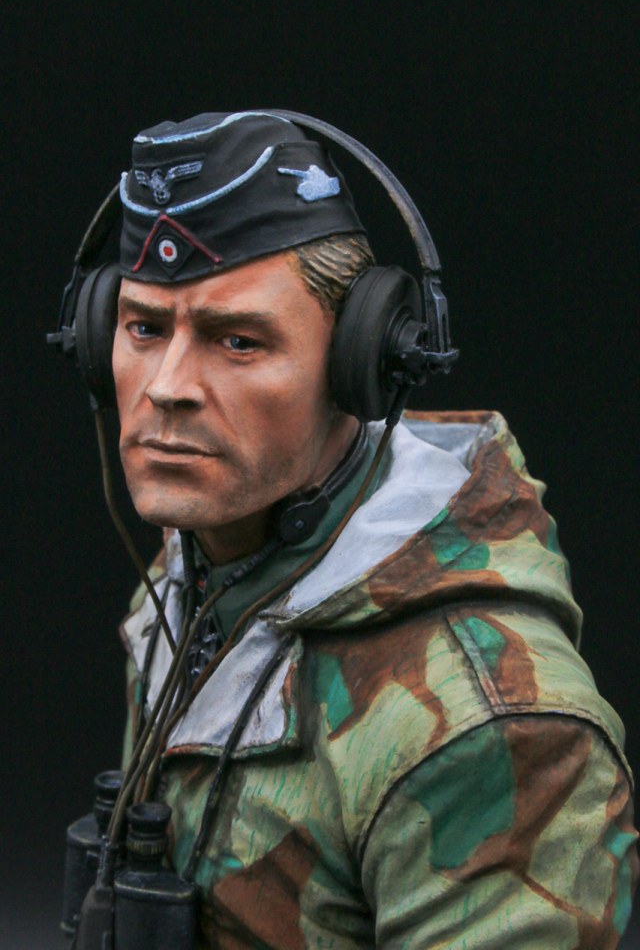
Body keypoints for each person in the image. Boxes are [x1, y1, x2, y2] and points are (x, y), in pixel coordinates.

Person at [83, 112, 639, 947]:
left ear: (360, 367)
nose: (167, 387)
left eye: (239, 340)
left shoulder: (487, 727)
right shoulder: (193, 583)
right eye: (143, 328)